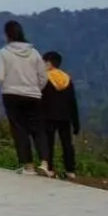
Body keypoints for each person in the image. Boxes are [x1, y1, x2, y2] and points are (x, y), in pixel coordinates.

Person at [0, 20, 51, 176]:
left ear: (7, 35)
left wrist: (6, 86)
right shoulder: (34, 53)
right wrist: (36, 88)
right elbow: (43, 76)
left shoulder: (3, 53)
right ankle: (45, 164)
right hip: (33, 95)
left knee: (20, 130)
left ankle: (28, 166)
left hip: (11, 95)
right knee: (38, 130)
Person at [41, 51, 80, 180]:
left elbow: (40, 100)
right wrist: (76, 123)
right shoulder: (67, 79)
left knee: (48, 143)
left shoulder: (44, 78)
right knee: (67, 144)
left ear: (48, 63)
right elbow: (72, 102)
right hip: (65, 117)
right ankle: (70, 170)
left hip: (48, 116)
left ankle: (49, 168)